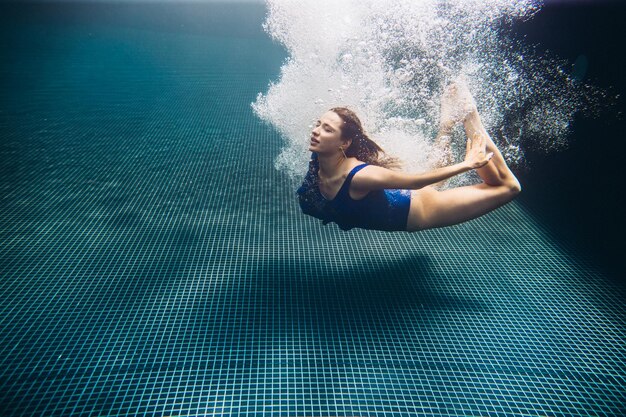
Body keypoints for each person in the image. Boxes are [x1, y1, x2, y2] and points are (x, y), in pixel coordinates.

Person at [297, 80, 522, 232]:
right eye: (318, 124)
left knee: (508, 187)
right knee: (436, 177)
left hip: (422, 209)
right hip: (401, 196)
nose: (316, 131)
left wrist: (468, 164)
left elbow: (416, 182)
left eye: (327, 129)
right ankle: (447, 126)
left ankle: (470, 117)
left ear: (344, 144)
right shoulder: (319, 159)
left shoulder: (360, 176)